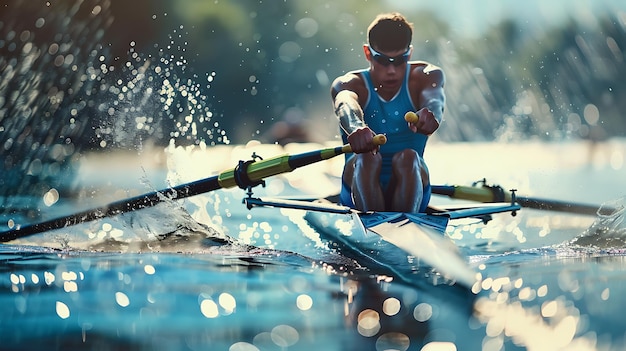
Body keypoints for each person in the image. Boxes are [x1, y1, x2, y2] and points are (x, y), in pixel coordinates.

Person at [331, 12, 445, 213]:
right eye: (382, 60)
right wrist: (356, 127)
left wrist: (433, 114)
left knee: (409, 157)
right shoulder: (350, 83)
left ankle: (403, 227)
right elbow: (345, 104)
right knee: (367, 157)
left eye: (400, 60)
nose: (391, 70)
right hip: (356, 187)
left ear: (409, 54)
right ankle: (375, 226)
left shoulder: (427, 76)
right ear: (367, 53)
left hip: (411, 179)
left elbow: (435, 100)